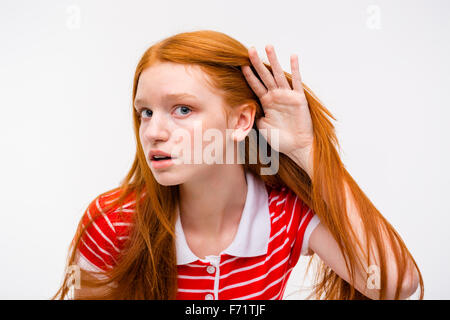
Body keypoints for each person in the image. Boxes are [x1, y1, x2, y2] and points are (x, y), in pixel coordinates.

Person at [52, 30, 424, 300]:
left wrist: (308, 149)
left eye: (183, 109)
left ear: (241, 121)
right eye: (145, 112)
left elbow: (394, 285)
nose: (153, 131)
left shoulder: (285, 216)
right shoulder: (113, 220)